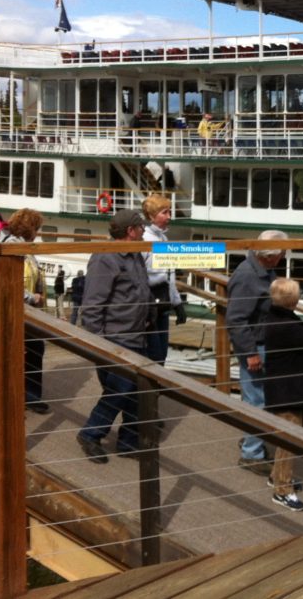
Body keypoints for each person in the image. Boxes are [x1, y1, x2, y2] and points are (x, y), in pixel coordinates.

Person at [76, 210, 152, 463]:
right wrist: (97, 342)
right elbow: (93, 304)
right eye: (140, 227)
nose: (144, 231)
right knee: (119, 390)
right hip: (115, 337)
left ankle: (128, 442)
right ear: (130, 231)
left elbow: (140, 289)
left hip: (137, 334)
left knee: (135, 392)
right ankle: (91, 433)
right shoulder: (105, 257)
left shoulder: (135, 254)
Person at [226, 229, 288, 475]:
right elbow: (236, 320)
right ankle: (251, 454)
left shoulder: (262, 270)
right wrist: (250, 353)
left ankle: (252, 442)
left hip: (263, 342)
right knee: (256, 401)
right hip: (255, 346)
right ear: (271, 256)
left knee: (258, 398)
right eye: (282, 253)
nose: (284, 256)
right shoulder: (247, 276)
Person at [262, 278, 303, 513]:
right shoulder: (285, 325)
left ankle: (277, 476)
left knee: (289, 437)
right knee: (289, 439)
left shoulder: (275, 317)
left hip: (287, 388)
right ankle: (282, 490)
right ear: (294, 301)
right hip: (288, 391)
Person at [0, 209, 50, 413]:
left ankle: (28, 396)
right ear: (29, 228)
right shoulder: (13, 246)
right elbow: (9, 281)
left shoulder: (25, 248)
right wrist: (32, 297)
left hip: (28, 313)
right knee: (23, 351)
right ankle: (24, 397)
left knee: (34, 349)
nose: (38, 233)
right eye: (37, 228)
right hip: (16, 311)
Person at [141, 194, 187, 365]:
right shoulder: (144, 240)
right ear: (151, 216)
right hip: (149, 304)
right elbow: (138, 276)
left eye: (169, 212)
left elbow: (170, 276)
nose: (169, 216)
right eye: (164, 212)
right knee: (154, 355)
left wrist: (177, 303)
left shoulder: (163, 239)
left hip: (163, 304)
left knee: (162, 354)